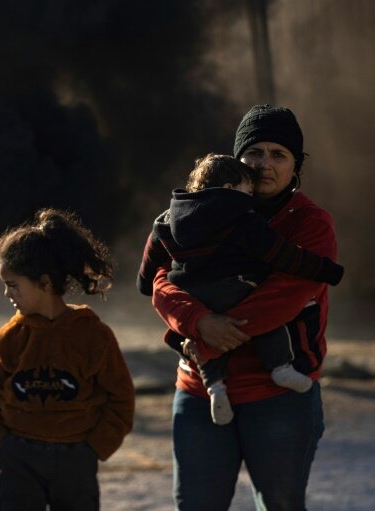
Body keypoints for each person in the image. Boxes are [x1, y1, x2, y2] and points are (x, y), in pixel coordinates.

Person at [152, 105, 338, 510]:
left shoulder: (310, 223)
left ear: (295, 166)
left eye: (278, 155)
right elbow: (161, 281)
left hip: (277, 396)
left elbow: (282, 298)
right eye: (254, 152)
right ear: (236, 158)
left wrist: (208, 340)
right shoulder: (196, 212)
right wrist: (198, 320)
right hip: (199, 393)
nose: (264, 165)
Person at [137, 153, 343, 425]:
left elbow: (150, 269)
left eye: (278, 154)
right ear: (229, 189)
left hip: (194, 294)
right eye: (247, 190)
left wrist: (145, 283)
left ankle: (215, 387)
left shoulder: (167, 219)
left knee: (215, 338)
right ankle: (280, 366)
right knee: (269, 319)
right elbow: (281, 255)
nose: (251, 196)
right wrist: (328, 270)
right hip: (233, 290)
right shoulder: (240, 218)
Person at [0, 208, 135, 511]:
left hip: (76, 460)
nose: (7, 293)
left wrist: (94, 448)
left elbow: (121, 398)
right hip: (19, 459)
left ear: (44, 283)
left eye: (13, 284)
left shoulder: (91, 336)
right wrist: (1, 442)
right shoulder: (10, 337)